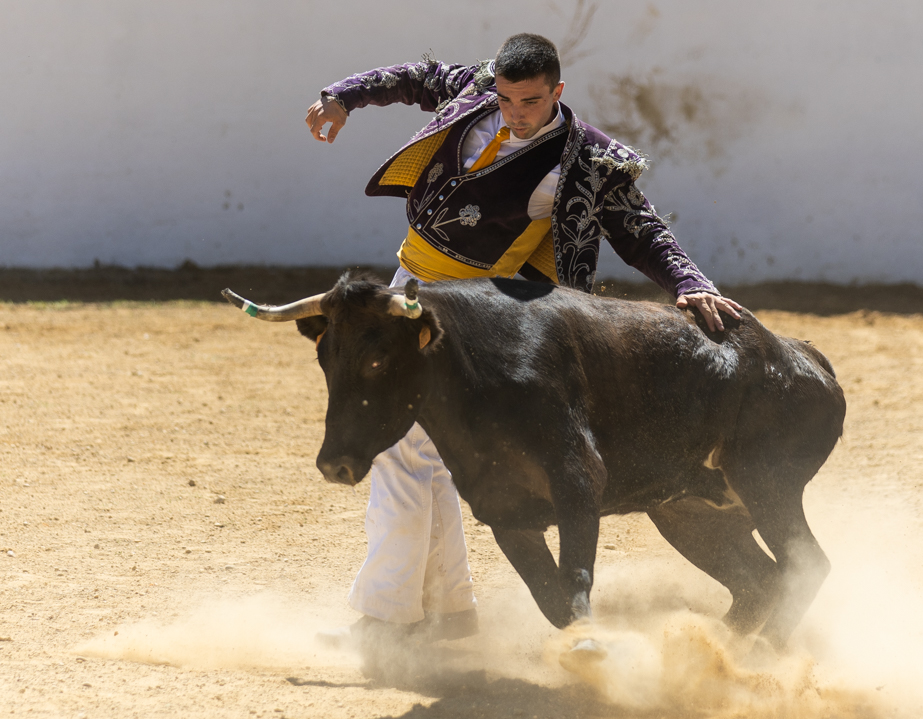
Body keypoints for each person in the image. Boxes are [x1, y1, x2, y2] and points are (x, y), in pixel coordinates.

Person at [305, 33, 741, 647]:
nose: (514, 111)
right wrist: (342, 98)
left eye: (530, 101)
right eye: (507, 99)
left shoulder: (584, 159)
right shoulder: (478, 89)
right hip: (408, 289)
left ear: (557, 92)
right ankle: (448, 613)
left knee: (406, 452)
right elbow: (415, 76)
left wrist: (689, 281)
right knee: (433, 460)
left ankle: (390, 616)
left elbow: (639, 228)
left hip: (472, 324)